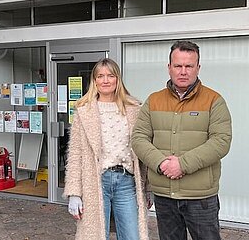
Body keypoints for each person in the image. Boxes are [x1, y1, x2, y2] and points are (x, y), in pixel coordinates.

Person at [131, 40, 232, 240]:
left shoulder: (214, 100)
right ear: (169, 68)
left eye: (189, 66)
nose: (183, 71)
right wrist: (160, 163)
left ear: (198, 68)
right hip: (165, 195)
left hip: (200, 197)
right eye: (178, 66)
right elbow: (139, 138)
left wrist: (182, 165)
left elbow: (221, 141)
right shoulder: (154, 100)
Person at [64, 58, 151, 240]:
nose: (105, 80)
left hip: (126, 182)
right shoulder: (84, 111)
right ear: (94, 80)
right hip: (95, 182)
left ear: (117, 79)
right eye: (100, 76)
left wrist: (148, 187)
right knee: (95, 235)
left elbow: (144, 149)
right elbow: (75, 153)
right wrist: (74, 193)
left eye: (110, 76)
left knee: (132, 236)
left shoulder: (134, 108)